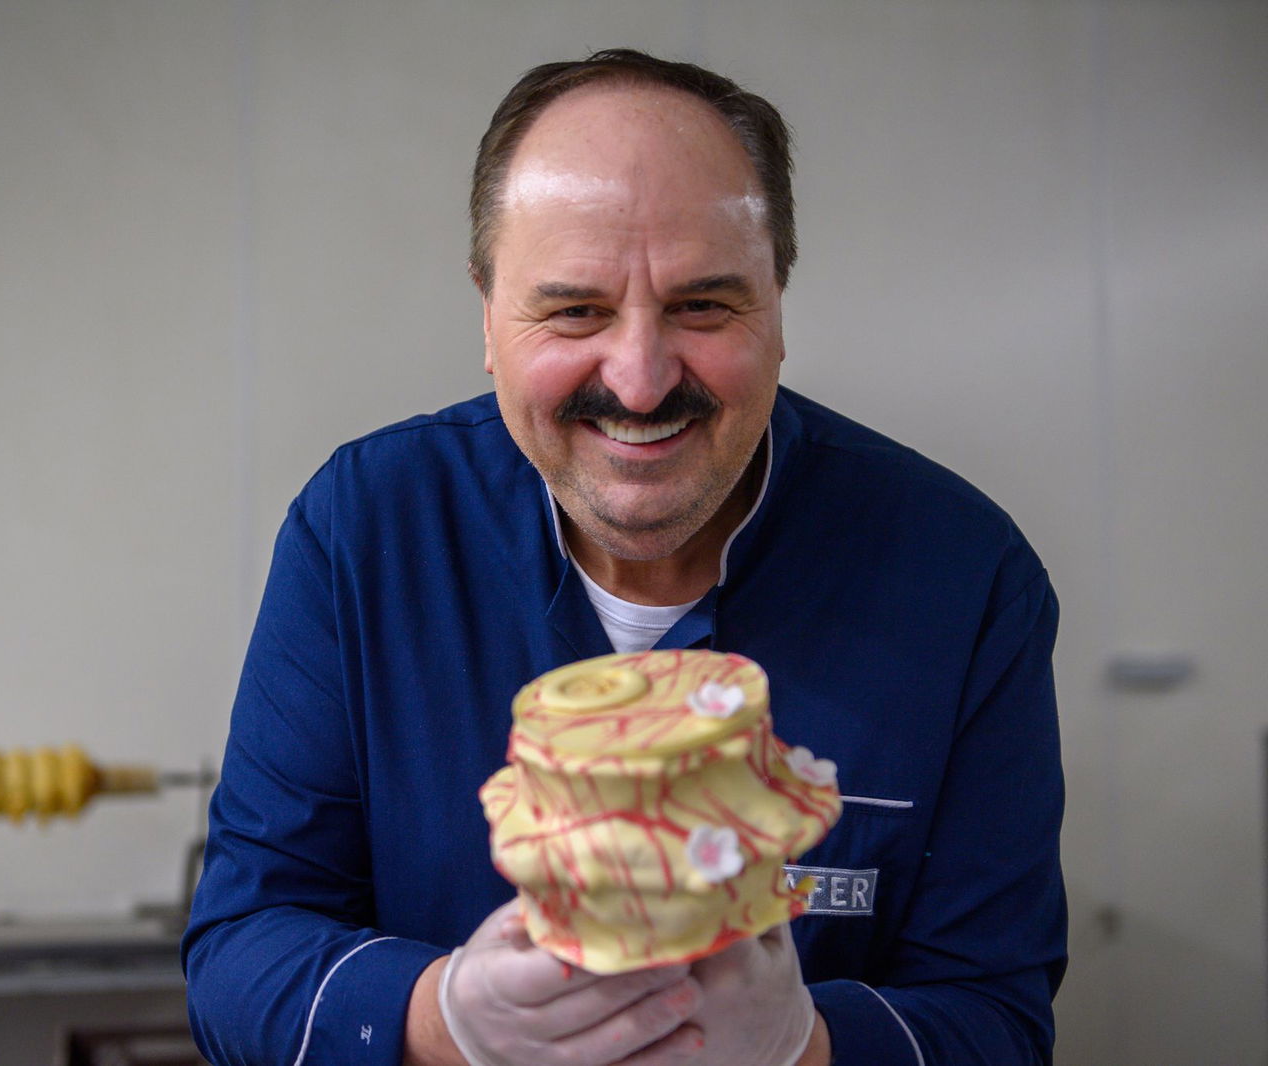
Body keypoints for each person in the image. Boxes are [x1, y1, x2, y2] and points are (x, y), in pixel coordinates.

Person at [184, 48, 1066, 1066]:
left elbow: (997, 1019)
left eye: (702, 305)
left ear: (777, 301)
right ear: (486, 313)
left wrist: (806, 1045)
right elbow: (240, 949)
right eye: (574, 310)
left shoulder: (963, 579)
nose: (640, 381)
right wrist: (443, 1015)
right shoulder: (363, 532)